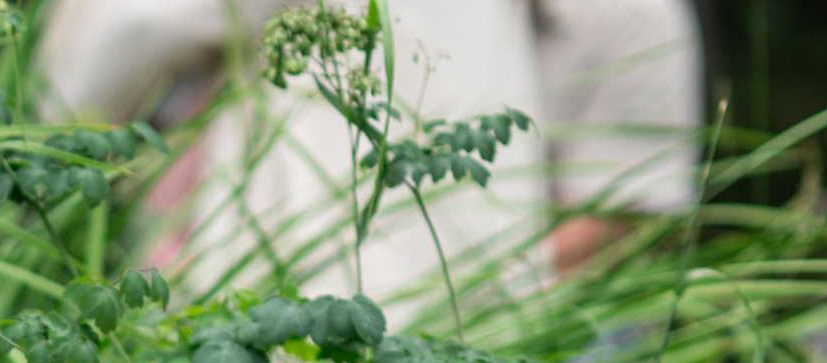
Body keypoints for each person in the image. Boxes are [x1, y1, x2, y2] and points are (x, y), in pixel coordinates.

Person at [37, 0, 703, 305]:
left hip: (312, 287)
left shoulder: (633, 17)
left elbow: (133, 29)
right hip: (460, 308)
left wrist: (53, 133)